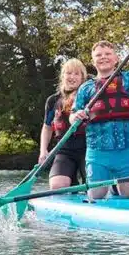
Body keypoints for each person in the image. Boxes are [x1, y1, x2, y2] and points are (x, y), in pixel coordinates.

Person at [72, 29, 129, 199]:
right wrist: (74, 117)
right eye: (99, 55)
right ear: (93, 61)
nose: (103, 57)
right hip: (97, 152)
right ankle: (109, 184)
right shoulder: (86, 88)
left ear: (116, 59)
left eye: (108, 54)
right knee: (96, 195)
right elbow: (73, 114)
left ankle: (116, 186)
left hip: (126, 150)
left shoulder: (127, 79)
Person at [39, 58, 89, 189]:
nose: (72, 77)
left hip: (89, 149)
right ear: (63, 76)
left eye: (77, 74)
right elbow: (47, 127)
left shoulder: (90, 97)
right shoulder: (53, 100)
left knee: (94, 187)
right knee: (57, 185)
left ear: (82, 78)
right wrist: (43, 150)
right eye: (69, 73)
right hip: (64, 150)